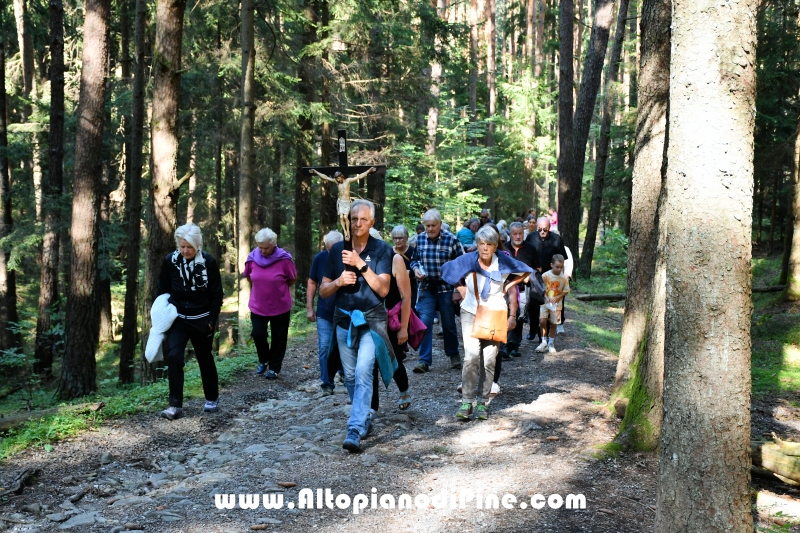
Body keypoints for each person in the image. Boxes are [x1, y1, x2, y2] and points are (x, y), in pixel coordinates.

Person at [320, 199, 397, 453]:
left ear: (372, 222)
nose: (358, 223)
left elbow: (384, 289)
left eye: (363, 219)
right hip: (343, 321)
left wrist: (360, 264)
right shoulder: (336, 251)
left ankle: (353, 429)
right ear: (348, 221)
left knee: (364, 371)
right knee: (350, 375)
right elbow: (323, 291)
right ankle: (363, 418)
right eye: (354, 219)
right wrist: (339, 281)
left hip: (372, 321)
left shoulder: (382, 250)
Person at [442, 226, 532, 420]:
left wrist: (508, 285)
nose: (485, 248)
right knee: (471, 356)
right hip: (470, 312)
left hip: (495, 312)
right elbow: (446, 270)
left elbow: (526, 271)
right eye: (481, 244)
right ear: (477, 244)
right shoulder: (468, 259)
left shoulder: (503, 260)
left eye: (489, 244)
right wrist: (461, 287)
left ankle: (482, 402)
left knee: (490, 359)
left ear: (494, 246)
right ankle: (466, 401)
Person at [158, 223, 223, 420]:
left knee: (204, 358)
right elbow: (162, 289)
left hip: (202, 319)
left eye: (189, 247)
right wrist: (163, 314)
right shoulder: (170, 261)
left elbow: (216, 294)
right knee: (175, 357)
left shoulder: (209, 262)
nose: (186, 250)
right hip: (177, 318)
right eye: (182, 246)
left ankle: (211, 398)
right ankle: (175, 405)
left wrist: (211, 319)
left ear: (198, 245)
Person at [410, 209, 464, 373]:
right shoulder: (419, 240)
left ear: (440, 224)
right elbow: (414, 261)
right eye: (428, 226)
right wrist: (416, 270)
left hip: (446, 287)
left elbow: (460, 265)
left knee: (448, 323)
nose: (431, 229)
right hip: (426, 286)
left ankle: (453, 355)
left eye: (434, 225)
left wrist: (457, 289)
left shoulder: (451, 240)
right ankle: (424, 360)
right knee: (424, 323)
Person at [244, 228, 297, 380]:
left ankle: (274, 368)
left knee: (279, 338)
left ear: (274, 244)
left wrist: (277, 289)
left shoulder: (284, 259)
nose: (263, 250)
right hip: (258, 305)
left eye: (266, 247)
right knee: (258, 334)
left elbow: (292, 278)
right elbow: (249, 276)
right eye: (260, 247)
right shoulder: (252, 258)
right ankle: (264, 359)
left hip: (280, 305)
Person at [371, 247, 415, 413]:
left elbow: (406, 297)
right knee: (371, 363)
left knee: (393, 358)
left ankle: (403, 389)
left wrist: (403, 328)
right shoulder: (361, 262)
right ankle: (371, 407)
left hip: (391, 321)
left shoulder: (393, 260)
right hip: (369, 320)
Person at [307, 230, 344, 393]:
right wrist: (309, 308)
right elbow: (312, 282)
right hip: (325, 311)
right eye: (329, 249)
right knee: (324, 346)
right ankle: (327, 382)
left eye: (334, 249)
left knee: (343, 345)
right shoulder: (319, 258)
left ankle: (344, 372)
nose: (331, 252)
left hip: (345, 312)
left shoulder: (349, 257)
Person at [525, 216, 567, 338]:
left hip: (552, 278)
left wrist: (561, 278)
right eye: (540, 229)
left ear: (549, 228)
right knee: (533, 305)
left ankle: (544, 334)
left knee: (548, 305)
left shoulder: (557, 239)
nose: (542, 232)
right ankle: (532, 330)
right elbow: (526, 256)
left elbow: (561, 259)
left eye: (545, 229)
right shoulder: (531, 237)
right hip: (535, 277)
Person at [310, 167, 376, 241]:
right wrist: (316, 172)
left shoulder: (347, 181)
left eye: (338, 178)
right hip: (341, 201)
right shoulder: (337, 182)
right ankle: (345, 232)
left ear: (341, 176)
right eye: (336, 178)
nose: (337, 180)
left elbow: (359, 176)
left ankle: (348, 231)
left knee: (345, 217)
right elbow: (325, 177)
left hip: (347, 202)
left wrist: (369, 170)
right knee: (341, 217)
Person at [505, 222, 541, 357]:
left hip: (522, 288)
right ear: (510, 234)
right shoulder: (504, 248)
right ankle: (505, 344)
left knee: (519, 315)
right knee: (505, 314)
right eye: (515, 234)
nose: (518, 236)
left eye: (520, 233)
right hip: (505, 287)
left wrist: (529, 275)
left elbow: (538, 268)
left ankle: (514, 345)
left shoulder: (531, 249)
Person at [536, 254, 570, 354]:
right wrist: (546, 297)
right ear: (551, 265)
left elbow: (566, 290)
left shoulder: (564, 278)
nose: (559, 269)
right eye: (557, 267)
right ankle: (543, 341)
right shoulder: (545, 275)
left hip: (557, 304)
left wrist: (557, 297)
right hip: (545, 303)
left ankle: (551, 342)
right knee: (542, 321)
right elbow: (541, 288)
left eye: (561, 267)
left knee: (553, 323)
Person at [391, 225, 417, 308]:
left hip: (411, 288)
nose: (397, 241)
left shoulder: (413, 251)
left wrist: (403, 273)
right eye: (395, 238)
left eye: (400, 238)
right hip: (394, 289)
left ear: (406, 238)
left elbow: (417, 270)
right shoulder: (389, 251)